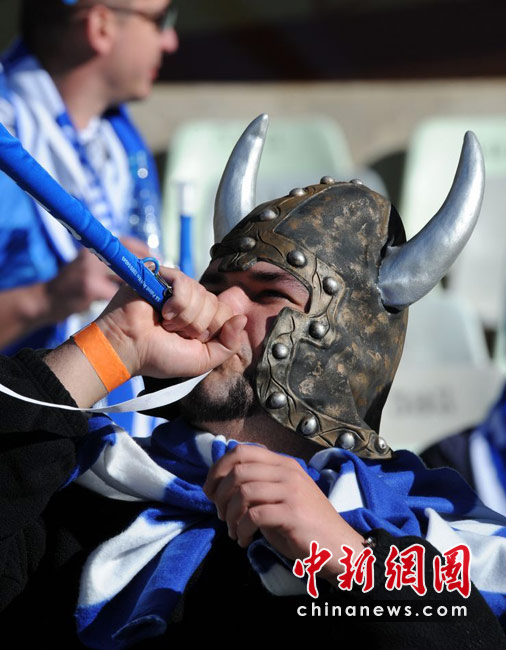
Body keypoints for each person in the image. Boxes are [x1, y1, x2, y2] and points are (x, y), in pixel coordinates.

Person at [1, 116, 506, 648]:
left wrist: (351, 563)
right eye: (216, 284)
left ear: (342, 343)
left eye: (269, 294)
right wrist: (109, 346)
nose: (221, 307)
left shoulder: (438, 546)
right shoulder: (87, 488)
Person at [0, 0, 178, 433]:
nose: (171, 41)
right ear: (100, 26)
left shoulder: (120, 142)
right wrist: (45, 299)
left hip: (95, 436)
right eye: (161, 20)